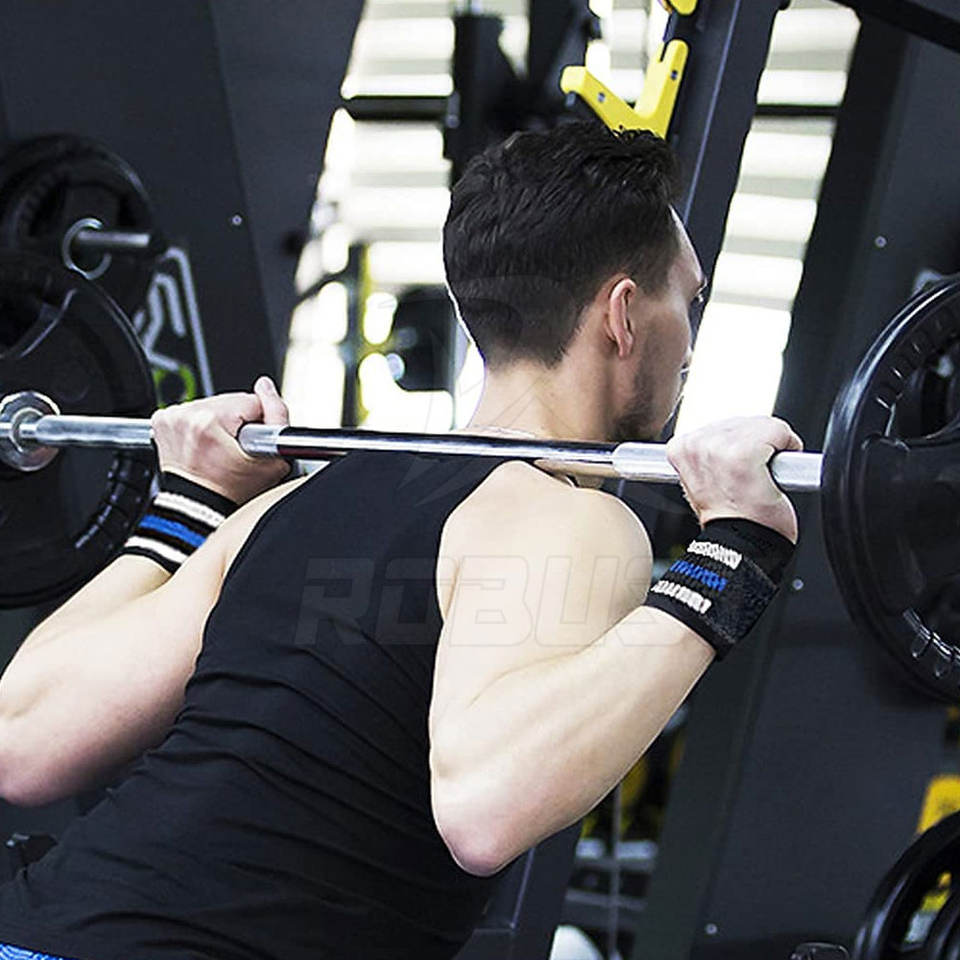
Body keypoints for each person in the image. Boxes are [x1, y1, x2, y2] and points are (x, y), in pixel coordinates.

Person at [0, 121, 802, 959]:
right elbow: (484, 812)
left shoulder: (293, 505)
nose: (691, 339)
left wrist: (190, 503)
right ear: (624, 313)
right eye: (688, 300)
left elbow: (23, 740)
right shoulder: (571, 518)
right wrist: (731, 558)